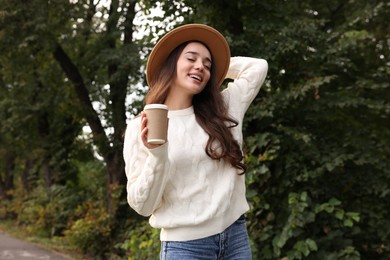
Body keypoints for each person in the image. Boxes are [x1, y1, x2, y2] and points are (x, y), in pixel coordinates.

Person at [123, 24, 268, 259]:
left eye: (207, 65)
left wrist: (218, 67)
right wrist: (157, 155)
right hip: (185, 248)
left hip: (236, 237)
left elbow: (258, 67)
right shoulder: (140, 127)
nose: (200, 66)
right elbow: (143, 206)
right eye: (191, 58)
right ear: (170, 64)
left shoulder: (225, 107)